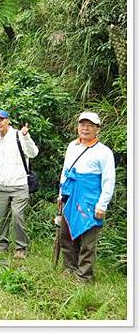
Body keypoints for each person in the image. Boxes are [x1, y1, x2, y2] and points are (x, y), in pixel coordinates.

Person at [58, 111, 116, 282]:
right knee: (66, 235)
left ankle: (84, 276)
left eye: (90, 125)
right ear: (77, 127)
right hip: (70, 196)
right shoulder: (72, 146)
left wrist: (102, 204)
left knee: (88, 241)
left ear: (97, 129)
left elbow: (108, 180)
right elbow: (65, 171)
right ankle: (69, 269)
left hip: (90, 200)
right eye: (82, 124)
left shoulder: (104, 152)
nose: (85, 128)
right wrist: (61, 194)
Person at [0, 109, 39, 259]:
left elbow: (33, 153)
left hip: (20, 185)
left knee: (17, 216)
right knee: (1, 217)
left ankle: (21, 248)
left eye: (0, 120)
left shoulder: (19, 135)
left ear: (8, 120)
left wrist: (26, 136)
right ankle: (2, 245)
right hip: (1, 186)